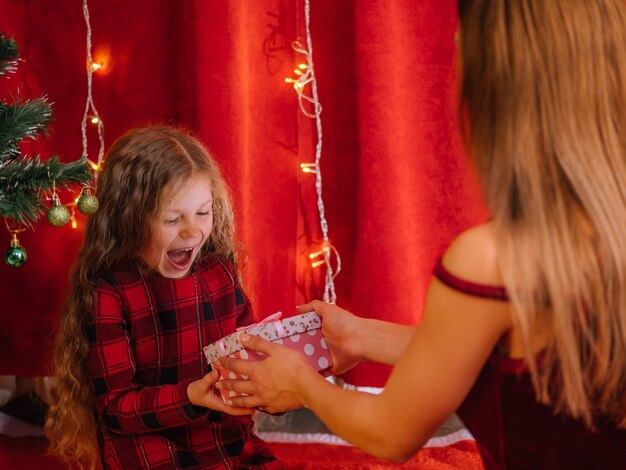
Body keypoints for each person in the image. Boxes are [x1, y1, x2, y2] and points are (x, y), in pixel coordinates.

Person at [214, 1, 626, 468]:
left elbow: (391, 433)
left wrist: (302, 385)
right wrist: (362, 336)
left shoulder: (491, 259)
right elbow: (498, 359)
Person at [45, 126, 282, 469]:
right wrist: (190, 396)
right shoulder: (110, 290)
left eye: (203, 212)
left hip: (220, 438)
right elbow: (115, 408)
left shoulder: (218, 271)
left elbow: (250, 351)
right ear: (130, 220)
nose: (193, 230)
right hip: (146, 447)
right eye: (173, 218)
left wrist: (277, 377)